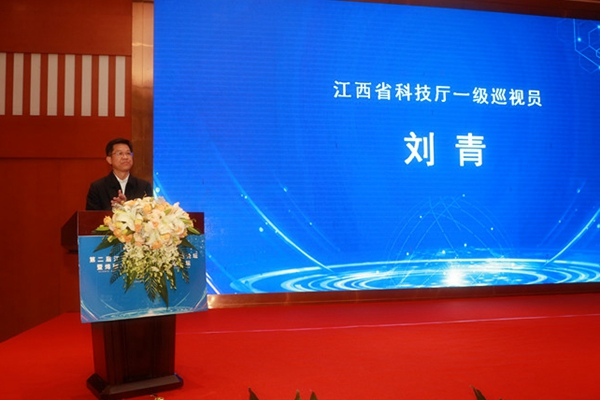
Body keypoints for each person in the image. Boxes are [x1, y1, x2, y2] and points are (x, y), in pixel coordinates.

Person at [86, 138, 153, 211]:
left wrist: (126, 206)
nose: (125, 157)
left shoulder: (144, 186)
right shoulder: (98, 188)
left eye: (128, 153)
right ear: (109, 160)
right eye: (120, 153)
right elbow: (91, 216)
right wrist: (117, 208)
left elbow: (149, 213)